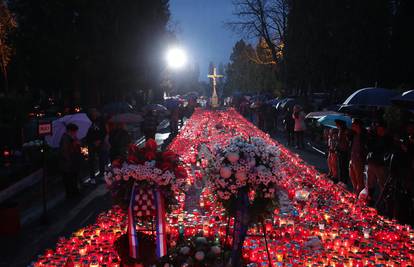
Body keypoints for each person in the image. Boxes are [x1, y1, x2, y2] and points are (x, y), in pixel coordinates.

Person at [366, 122, 392, 205]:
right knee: (370, 182)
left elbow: (387, 151)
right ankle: (370, 198)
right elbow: (369, 147)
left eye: (381, 129)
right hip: (372, 162)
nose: (379, 131)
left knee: (382, 184)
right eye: (378, 129)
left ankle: (384, 202)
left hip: (381, 164)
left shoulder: (388, 139)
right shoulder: (374, 137)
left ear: (385, 130)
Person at [59, 123, 82, 198]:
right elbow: (65, 152)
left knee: (73, 179)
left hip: (73, 163)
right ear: (70, 131)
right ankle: (70, 195)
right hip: (68, 164)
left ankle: (75, 192)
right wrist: (74, 144)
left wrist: (77, 143)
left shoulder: (72, 138)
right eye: (75, 131)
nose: (76, 133)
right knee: (69, 180)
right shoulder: (65, 138)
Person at [86, 109, 106, 183]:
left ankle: (102, 174)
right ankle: (92, 177)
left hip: (100, 142)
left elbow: (104, 131)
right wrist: (91, 141)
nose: (95, 114)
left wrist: (100, 140)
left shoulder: (101, 121)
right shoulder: (87, 121)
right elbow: (86, 133)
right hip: (91, 143)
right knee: (91, 160)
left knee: (101, 159)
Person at [349, 118, 368, 195]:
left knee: (359, 179)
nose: (352, 126)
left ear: (358, 125)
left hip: (359, 160)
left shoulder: (364, 135)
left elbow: (365, 148)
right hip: (352, 159)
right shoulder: (354, 135)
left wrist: (360, 155)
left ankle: (359, 196)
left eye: (353, 124)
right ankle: (355, 193)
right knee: (353, 177)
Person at [335, 119, 350, 186]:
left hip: (345, 151)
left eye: (337, 124)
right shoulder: (340, 130)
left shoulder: (346, 131)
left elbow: (346, 141)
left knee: (344, 166)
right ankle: (341, 180)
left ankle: (345, 181)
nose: (336, 125)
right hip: (340, 150)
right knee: (340, 166)